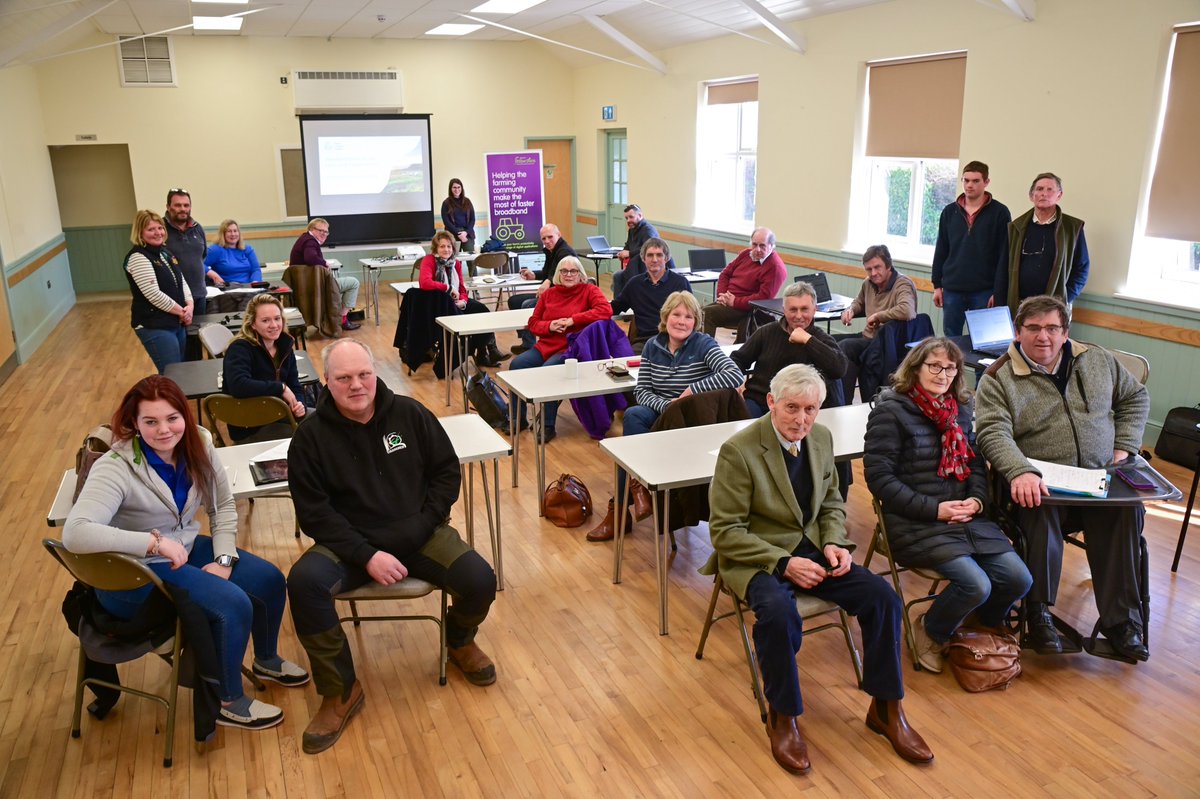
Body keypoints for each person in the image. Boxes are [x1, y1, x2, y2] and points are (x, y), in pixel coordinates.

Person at [703, 364, 932, 773]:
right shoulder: (739, 451)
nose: (801, 419)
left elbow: (830, 502)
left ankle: (886, 708)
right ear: (771, 402)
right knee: (778, 614)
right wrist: (784, 562)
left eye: (811, 409)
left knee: (883, 598)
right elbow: (725, 532)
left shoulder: (821, 437)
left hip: (813, 549)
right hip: (758, 556)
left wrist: (834, 542)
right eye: (792, 407)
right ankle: (783, 715)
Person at [286, 339, 498, 754]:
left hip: (421, 534)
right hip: (350, 545)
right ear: (326, 382)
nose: (356, 385)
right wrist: (366, 555)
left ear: (374, 372)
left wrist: (420, 527)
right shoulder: (309, 438)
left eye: (363, 374)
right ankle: (340, 690)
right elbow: (314, 514)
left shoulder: (411, 414)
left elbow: (445, 474)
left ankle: (458, 640)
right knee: (304, 583)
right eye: (343, 378)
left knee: (479, 579)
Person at [63, 375, 309, 732]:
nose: (164, 430)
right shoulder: (115, 467)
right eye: (150, 421)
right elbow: (75, 532)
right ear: (134, 423)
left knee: (269, 580)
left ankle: (266, 660)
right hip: (133, 575)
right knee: (233, 604)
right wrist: (152, 543)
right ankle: (227, 702)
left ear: (185, 415)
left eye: (172, 418)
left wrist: (224, 560)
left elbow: (222, 506)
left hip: (182, 549)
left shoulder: (200, 443)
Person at [976, 295, 1149, 660]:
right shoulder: (998, 378)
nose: (1044, 337)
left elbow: (1135, 397)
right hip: (1040, 484)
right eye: (1034, 328)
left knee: (1127, 509)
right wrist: (1020, 470)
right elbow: (992, 433)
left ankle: (1122, 623)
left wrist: (1125, 445)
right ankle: (1038, 612)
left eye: (1053, 328)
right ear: (1018, 332)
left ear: (1065, 332)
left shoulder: (1098, 360)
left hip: (1097, 479)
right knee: (1036, 506)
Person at [864, 338, 1032, 673]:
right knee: (976, 584)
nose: (943, 375)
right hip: (916, 521)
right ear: (916, 368)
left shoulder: (961, 409)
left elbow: (974, 463)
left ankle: (977, 626)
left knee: (1019, 579)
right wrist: (935, 510)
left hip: (965, 517)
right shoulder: (891, 411)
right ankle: (932, 629)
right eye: (935, 366)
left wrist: (977, 500)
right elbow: (879, 479)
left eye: (950, 368)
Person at [587, 291, 744, 542]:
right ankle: (636, 491)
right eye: (676, 315)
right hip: (662, 413)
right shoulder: (653, 345)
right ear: (665, 317)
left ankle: (627, 502)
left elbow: (734, 375)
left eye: (688, 317)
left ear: (696, 322)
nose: (681, 321)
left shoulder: (704, 344)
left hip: (690, 420)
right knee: (634, 414)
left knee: (633, 438)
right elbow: (642, 390)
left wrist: (692, 391)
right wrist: (666, 405)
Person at [509, 256, 612, 441]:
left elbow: (606, 311)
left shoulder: (589, 290)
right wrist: (549, 326)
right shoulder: (549, 294)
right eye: (564, 271)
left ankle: (547, 425)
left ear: (580, 274)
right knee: (516, 365)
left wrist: (573, 320)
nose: (569, 275)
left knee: (548, 371)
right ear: (558, 274)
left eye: (573, 271)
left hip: (571, 349)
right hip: (546, 345)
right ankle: (518, 418)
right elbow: (533, 323)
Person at [731, 281, 847, 418]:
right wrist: (734, 382)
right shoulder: (766, 332)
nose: (798, 316)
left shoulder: (821, 339)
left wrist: (808, 340)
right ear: (784, 310)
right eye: (793, 310)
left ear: (814, 310)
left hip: (800, 407)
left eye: (804, 309)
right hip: (761, 401)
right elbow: (738, 359)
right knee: (743, 421)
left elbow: (839, 368)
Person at [932, 161, 1011, 336]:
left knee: (983, 339)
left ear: (986, 182)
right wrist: (937, 285)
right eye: (966, 180)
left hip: (984, 290)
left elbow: (1004, 256)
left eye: (975, 181)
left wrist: (998, 292)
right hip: (952, 289)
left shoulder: (1000, 213)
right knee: (951, 339)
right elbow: (941, 249)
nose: (969, 185)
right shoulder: (949, 212)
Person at [995, 172, 1089, 315]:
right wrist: (1000, 304)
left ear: (1059, 195)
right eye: (1039, 189)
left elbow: (1081, 268)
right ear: (1031, 195)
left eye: (1050, 189)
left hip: (1054, 308)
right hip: (1018, 306)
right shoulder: (1015, 227)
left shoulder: (1072, 228)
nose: (1044, 193)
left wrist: (1064, 298)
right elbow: (1003, 269)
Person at [222, 293, 307, 442]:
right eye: (265, 320)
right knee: (311, 435)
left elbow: (295, 386)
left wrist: (300, 404)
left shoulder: (285, 346)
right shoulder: (239, 348)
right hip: (251, 426)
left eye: (277, 318)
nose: (274, 325)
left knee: (323, 422)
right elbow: (238, 385)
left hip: (280, 414)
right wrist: (281, 388)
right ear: (252, 324)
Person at [837, 244, 917, 401]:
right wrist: (850, 310)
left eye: (877, 267)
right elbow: (859, 302)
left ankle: (843, 403)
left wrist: (879, 316)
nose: (873, 273)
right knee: (830, 342)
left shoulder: (902, 283)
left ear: (888, 265)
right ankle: (838, 400)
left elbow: (908, 310)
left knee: (846, 347)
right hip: (869, 338)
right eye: (869, 269)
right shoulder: (868, 283)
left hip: (886, 343)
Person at [419, 230, 508, 366]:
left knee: (482, 310)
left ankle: (488, 350)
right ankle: (482, 352)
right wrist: (448, 288)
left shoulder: (455, 263)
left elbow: (461, 288)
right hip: (437, 303)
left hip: (455, 301)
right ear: (435, 248)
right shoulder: (429, 260)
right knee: (467, 315)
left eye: (449, 246)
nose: (446, 249)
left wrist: (464, 301)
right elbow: (425, 283)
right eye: (442, 246)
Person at [124, 209, 193, 374]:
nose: (158, 233)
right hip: (154, 324)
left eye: (160, 228)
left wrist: (190, 305)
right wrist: (182, 312)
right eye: (151, 229)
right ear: (140, 233)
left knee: (181, 372)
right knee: (172, 374)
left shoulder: (164, 253)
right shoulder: (138, 257)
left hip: (175, 321)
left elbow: (181, 281)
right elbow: (153, 294)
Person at [701, 227, 787, 342]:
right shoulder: (746, 254)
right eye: (754, 244)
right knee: (697, 312)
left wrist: (735, 302)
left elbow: (763, 298)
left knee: (707, 313)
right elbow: (725, 274)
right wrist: (722, 295)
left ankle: (705, 350)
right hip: (728, 301)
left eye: (762, 246)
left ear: (772, 246)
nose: (757, 249)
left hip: (749, 310)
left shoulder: (775, 267)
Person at [610, 237, 691, 349]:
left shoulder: (680, 283)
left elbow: (692, 315)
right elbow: (614, 307)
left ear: (666, 258)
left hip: (674, 341)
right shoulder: (635, 284)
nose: (654, 260)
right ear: (643, 258)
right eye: (650, 255)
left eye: (659, 255)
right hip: (644, 343)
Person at [509, 223, 578, 354]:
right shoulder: (551, 251)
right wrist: (535, 275)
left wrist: (548, 281)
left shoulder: (565, 252)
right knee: (514, 301)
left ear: (559, 235)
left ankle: (529, 346)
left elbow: (564, 276)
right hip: (551, 293)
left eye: (550, 237)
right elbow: (548, 273)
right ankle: (527, 342)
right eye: (543, 238)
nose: (546, 241)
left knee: (527, 304)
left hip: (563, 296)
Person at [289, 218, 362, 331]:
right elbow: (310, 258)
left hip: (304, 286)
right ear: (311, 229)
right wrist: (324, 263)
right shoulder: (310, 241)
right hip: (315, 286)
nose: (324, 234)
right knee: (353, 283)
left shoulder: (304, 239)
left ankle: (332, 317)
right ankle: (342, 320)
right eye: (320, 231)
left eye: (326, 232)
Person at [165, 188, 208, 316]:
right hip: (173, 298)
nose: (183, 209)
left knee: (201, 328)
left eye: (186, 205)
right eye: (178, 205)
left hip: (199, 294)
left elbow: (203, 255)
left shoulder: (197, 228)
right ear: (168, 207)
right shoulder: (160, 229)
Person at [612, 204, 671, 296]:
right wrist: (623, 253)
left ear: (640, 215)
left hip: (647, 268)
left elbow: (649, 249)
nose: (628, 220)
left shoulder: (648, 230)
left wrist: (629, 253)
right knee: (617, 276)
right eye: (626, 218)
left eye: (631, 217)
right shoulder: (632, 229)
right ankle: (620, 302)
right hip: (635, 266)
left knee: (625, 278)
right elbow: (628, 245)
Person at [204, 219, 262, 286]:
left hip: (249, 287)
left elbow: (256, 269)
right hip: (227, 288)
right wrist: (211, 273)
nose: (233, 234)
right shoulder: (215, 250)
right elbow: (198, 264)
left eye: (235, 231)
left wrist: (255, 282)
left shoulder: (247, 249)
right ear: (223, 234)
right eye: (229, 231)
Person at [440, 178, 476, 252]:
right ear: (450, 189)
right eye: (454, 187)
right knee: (454, 258)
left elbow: (472, 219)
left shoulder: (467, 201)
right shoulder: (446, 203)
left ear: (462, 188)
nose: (457, 190)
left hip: (467, 233)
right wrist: (458, 233)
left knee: (470, 257)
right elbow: (446, 222)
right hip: (452, 234)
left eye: (459, 187)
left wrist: (465, 233)